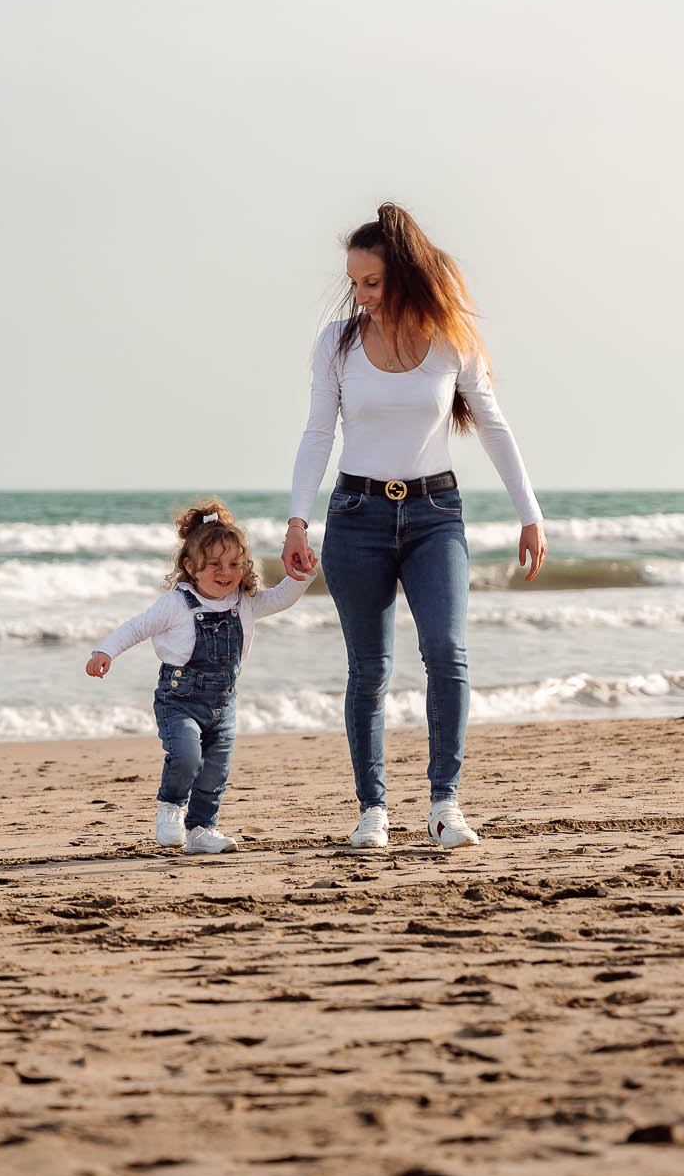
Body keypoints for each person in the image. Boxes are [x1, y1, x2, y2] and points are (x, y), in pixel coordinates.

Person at [282, 203, 547, 850]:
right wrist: (297, 518)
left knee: (447, 654)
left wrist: (530, 514)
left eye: (372, 282)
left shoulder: (452, 341)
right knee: (369, 670)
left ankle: (444, 806)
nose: (362, 295)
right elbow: (319, 432)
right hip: (356, 517)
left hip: (435, 516)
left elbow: (493, 424)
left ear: (401, 273)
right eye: (356, 284)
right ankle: (373, 810)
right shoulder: (338, 344)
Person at [87, 499, 313, 854]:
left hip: (224, 705)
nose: (226, 572)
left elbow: (281, 598)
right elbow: (136, 627)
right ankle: (170, 808)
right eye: (214, 565)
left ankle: (202, 830)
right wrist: (105, 651)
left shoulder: (245, 601)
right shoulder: (176, 604)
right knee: (187, 757)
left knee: (214, 772)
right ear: (191, 567)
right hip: (178, 702)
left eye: (234, 563)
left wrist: (301, 575)